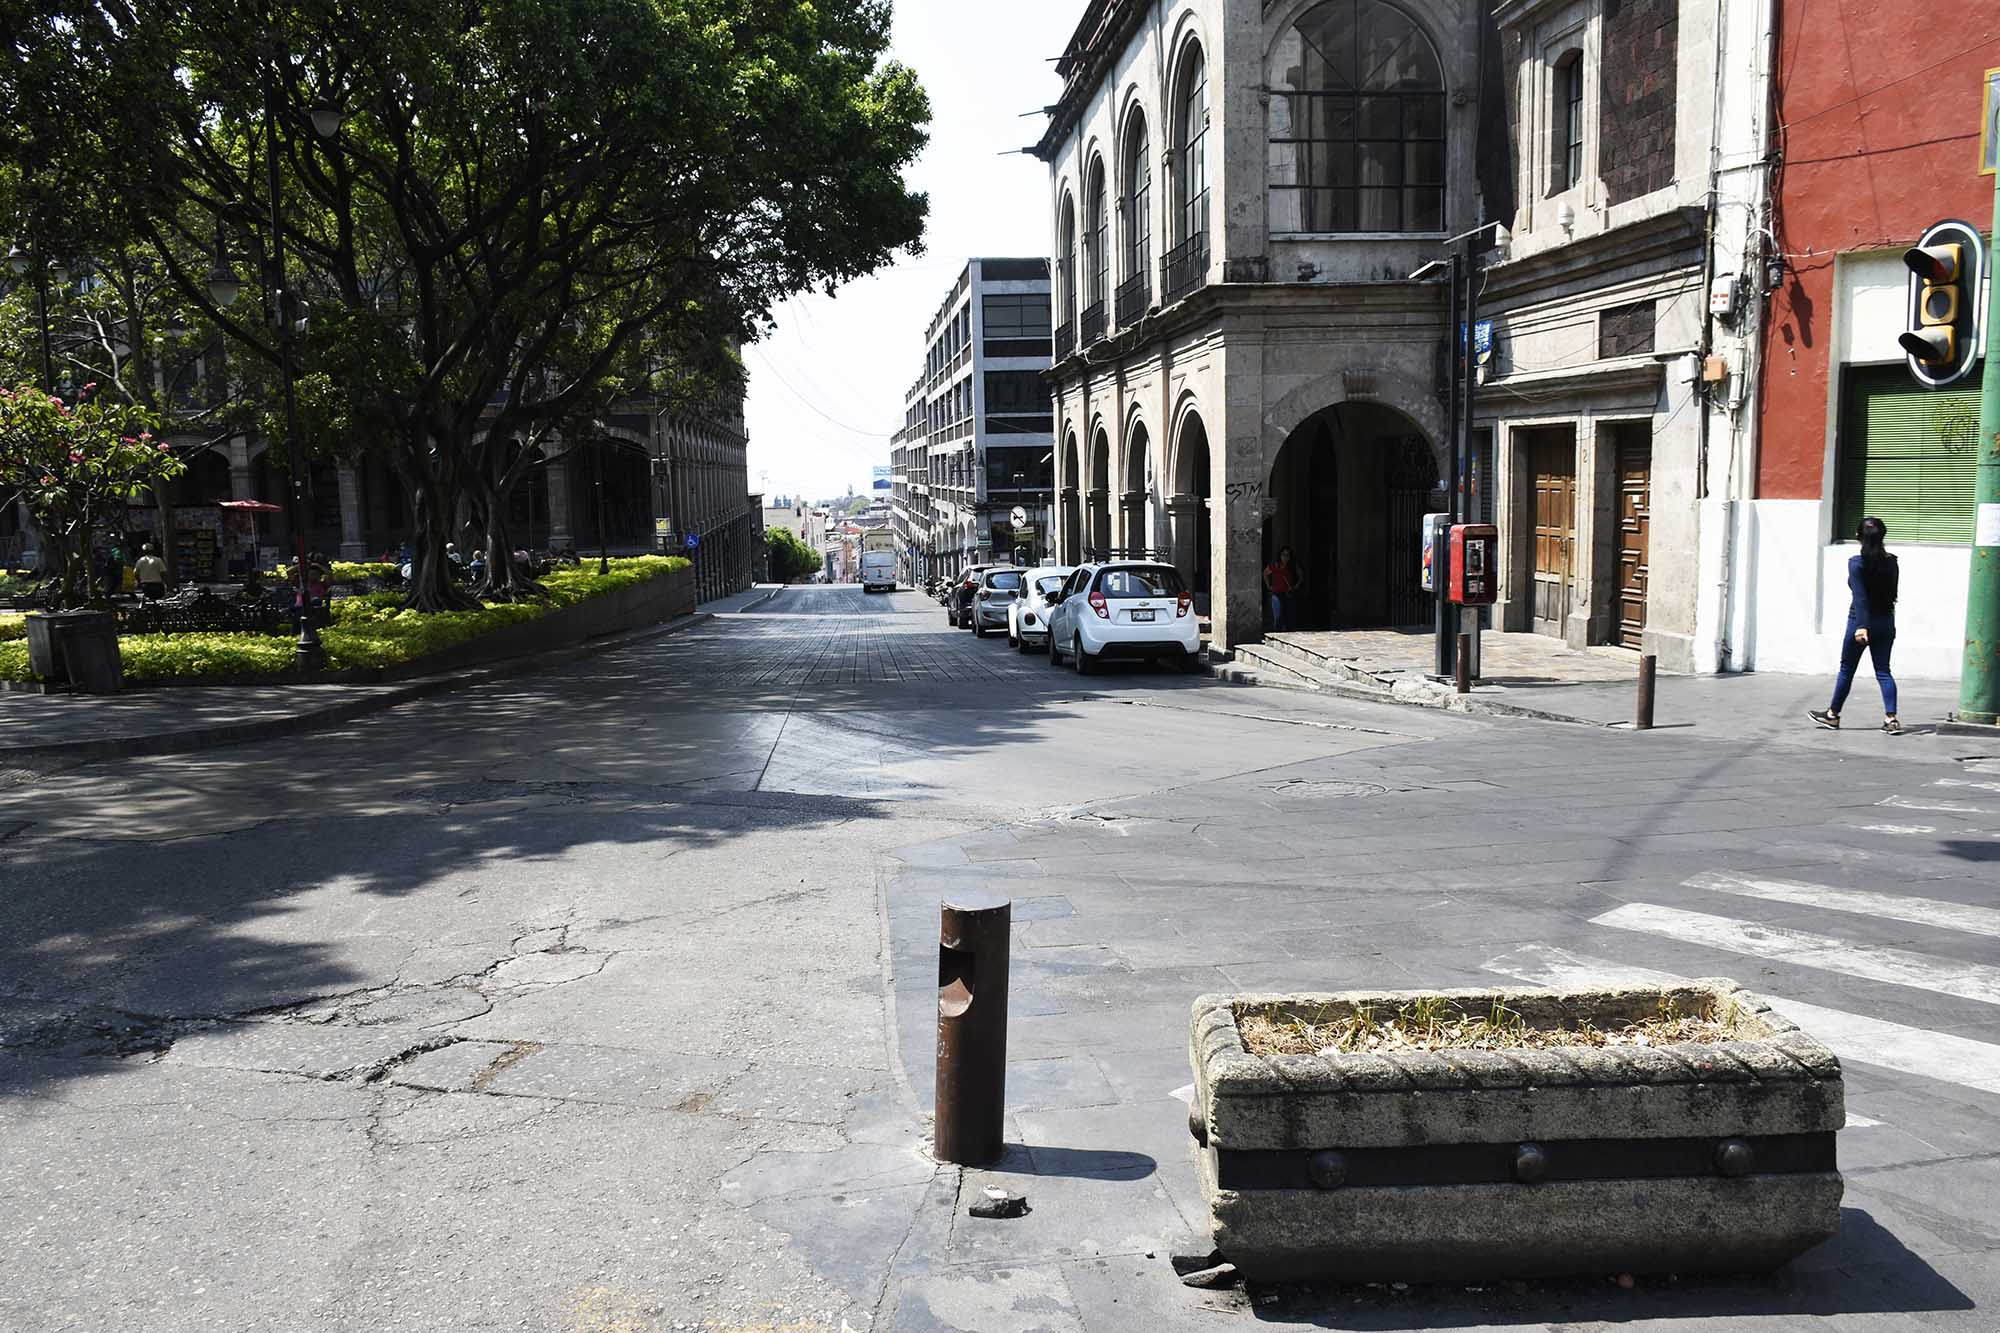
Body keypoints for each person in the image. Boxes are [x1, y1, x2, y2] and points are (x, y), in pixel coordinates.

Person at [1810, 516, 1902, 735]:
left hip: (1860, 622)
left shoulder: (1856, 563)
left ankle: (1833, 715)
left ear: (1859, 537)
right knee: (1883, 671)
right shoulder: (1892, 562)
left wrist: (1862, 626)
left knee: (1847, 670)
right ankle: (1891, 719)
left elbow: (1860, 597)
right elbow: (1893, 594)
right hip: (1886, 621)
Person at [1263, 545, 1301, 631]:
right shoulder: (1275, 565)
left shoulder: (1292, 566)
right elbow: (1265, 573)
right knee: (1278, 616)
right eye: (1283, 555)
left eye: (1287, 555)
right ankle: (1277, 633)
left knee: (1289, 616)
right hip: (1276, 593)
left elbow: (1301, 575)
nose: (1285, 557)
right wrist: (1268, 586)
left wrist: (1296, 586)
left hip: (1288, 593)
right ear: (1280, 556)